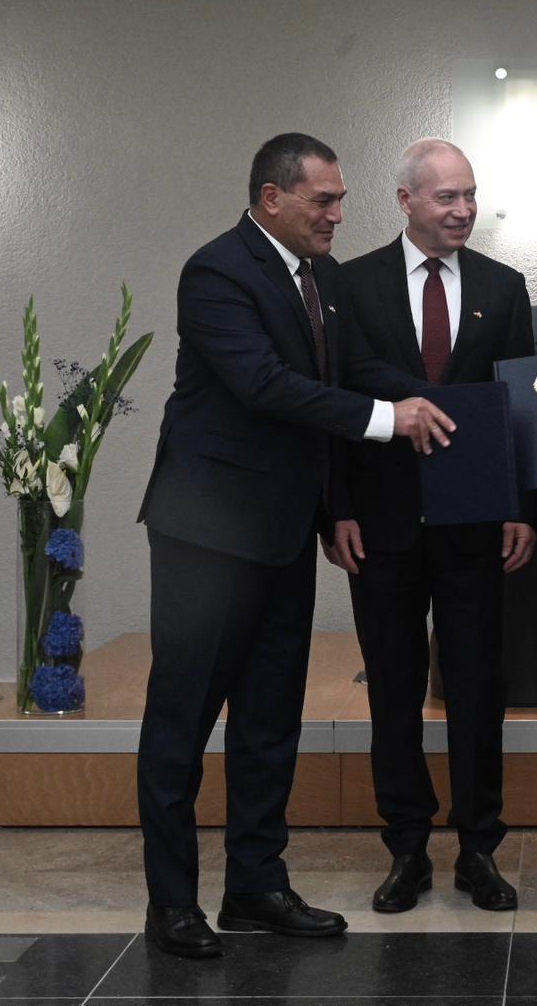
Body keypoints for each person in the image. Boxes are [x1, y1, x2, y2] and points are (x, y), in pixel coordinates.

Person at [135, 132, 456, 960]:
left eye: (341, 199)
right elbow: (265, 386)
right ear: (272, 198)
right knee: (182, 723)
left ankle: (255, 887)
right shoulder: (216, 272)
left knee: (269, 721)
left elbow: (355, 372)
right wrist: (390, 421)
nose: (338, 214)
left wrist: (453, 404)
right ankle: (171, 902)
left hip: (283, 535)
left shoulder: (321, 279)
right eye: (325, 200)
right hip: (208, 540)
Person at [328, 138, 535, 913]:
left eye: (470, 195)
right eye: (447, 197)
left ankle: (479, 847)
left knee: (478, 688)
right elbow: (334, 401)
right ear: (406, 200)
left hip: (475, 521)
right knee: (393, 687)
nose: (463, 210)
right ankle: (407, 848)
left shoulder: (503, 288)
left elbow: (519, 408)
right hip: (379, 523)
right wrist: (336, 508)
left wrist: (519, 505)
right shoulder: (348, 285)